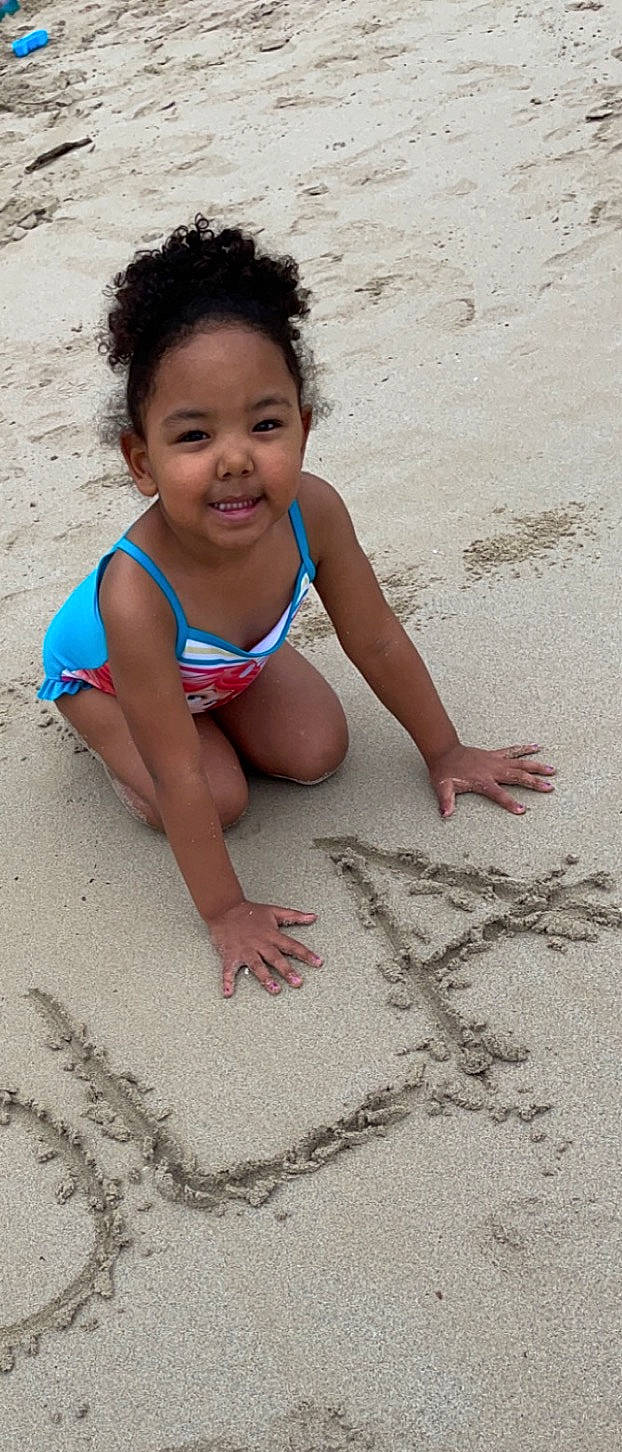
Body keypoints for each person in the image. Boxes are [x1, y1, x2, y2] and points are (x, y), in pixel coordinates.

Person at [39, 219, 556, 997]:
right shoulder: (135, 594)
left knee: (318, 751)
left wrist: (445, 751)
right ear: (141, 462)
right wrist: (226, 911)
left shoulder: (313, 511)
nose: (237, 457)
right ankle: (105, 748)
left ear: (305, 427)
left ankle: (226, 687)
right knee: (218, 797)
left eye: (266, 423)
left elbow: (375, 637)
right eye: (194, 436)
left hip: (219, 668)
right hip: (112, 675)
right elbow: (178, 769)